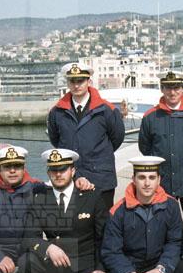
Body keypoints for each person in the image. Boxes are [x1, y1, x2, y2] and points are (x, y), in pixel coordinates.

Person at [21, 148, 117, 273]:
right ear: (48, 173)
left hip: (83, 260)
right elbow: (29, 236)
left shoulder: (92, 196)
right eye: (53, 170)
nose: (58, 174)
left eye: (63, 169)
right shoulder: (40, 198)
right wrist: (47, 247)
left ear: (73, 171)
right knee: (26, 261)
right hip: (55, 261)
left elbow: (104, 236)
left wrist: (100, 267)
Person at [102, 156, 183, 273]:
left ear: (159, 180)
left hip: (158, 260)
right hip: (130, 263)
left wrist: (161, 268)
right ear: (133, 179)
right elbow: (111, 251)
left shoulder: (171, 205)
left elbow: (175, 242)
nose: (147, 183)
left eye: (152, 177)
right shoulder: (118, 211)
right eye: (142, 177)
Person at [47, 62, 125, 205]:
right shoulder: (57, 112)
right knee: (73, 218)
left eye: (80, 81)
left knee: (103, 218)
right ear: (67, 83)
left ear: (89, 81)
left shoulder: (107, 110)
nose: (76, 85)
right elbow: (55, 139)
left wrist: (98, 154)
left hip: (101, 178)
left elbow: (117, 138)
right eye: (72, 81)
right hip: (70, 179)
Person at [139, 70, 183, 221]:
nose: (172, 92)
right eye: (168, 87)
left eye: (176, 87)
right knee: (162, 225)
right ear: (162, 89)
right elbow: (145, 147)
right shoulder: (150, 116)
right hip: (163, 182)